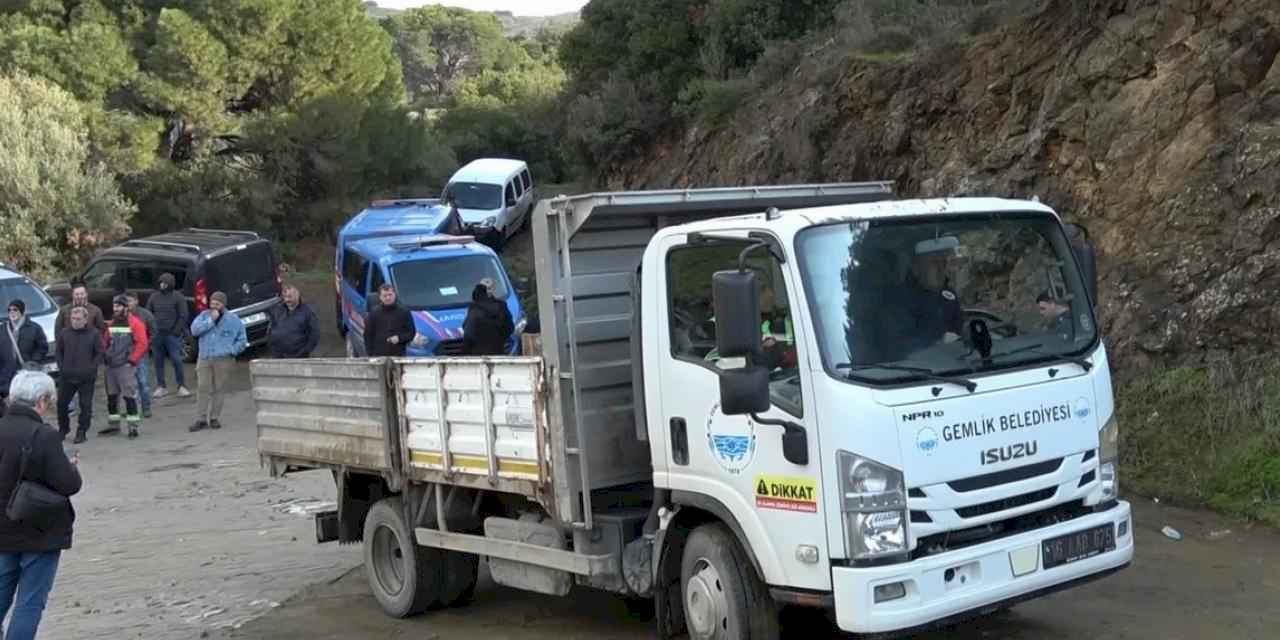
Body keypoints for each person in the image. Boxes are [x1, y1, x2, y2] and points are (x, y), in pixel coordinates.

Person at [0, 370, 81, 640]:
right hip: (39, 531)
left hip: (2, 532)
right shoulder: (44, 436)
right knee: (30, 603)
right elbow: (68, 484)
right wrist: (72, 468)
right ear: (43, 401)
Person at [189, 292, 246, 432]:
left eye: (217, 304)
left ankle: (214, 417)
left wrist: (232, 350)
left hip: (223, 359)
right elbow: (194, 331)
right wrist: (210, 321)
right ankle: (200, 419)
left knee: (219, 388)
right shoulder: (203, 316)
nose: (214, 306)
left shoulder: (234, 320)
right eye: (212, 303)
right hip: (205, 357)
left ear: (223, 305)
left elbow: (242, 339)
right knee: (203, 387)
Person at [901, 240, 964, 351]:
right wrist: (936, 342)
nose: (941, 269)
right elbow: (899, 346)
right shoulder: (900, 301)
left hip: (955, 361)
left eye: (943, 263)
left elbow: (958, 328)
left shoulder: (948, 295)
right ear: (916, 268)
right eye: (934, 263)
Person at [55, 307, 104, 444]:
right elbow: (58, 352)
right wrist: (62, 367)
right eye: (72, 319)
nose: (75, 322)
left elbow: (99, 352)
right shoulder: (65, 333)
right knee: (61, 404)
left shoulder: (94, 334)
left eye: (78, 319)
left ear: (85, 320)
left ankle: (82, 431)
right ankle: (63, 429)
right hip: (67, 376)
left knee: (85, 405)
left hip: (86, 378)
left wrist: (91, 368)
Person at [103, 295, 148, 439]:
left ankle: (133, 427)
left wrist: (131, 361)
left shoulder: (135, 323)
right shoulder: (111, 324)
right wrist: (105, 356)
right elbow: (106, 341)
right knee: (111, 396)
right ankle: (114, 425)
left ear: (126, 307)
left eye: (118, 306)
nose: (115, 309)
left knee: (129, 397)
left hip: (125, 366)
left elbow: (142, 344)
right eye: (114, 306)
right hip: (111, 366)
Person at [0, 301, 49, 418]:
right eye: (10, 310)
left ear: (22, 311)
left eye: (15, 309)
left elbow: (42, 348)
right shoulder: (2, 329)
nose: (12, 312)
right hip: (5, 375)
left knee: (25, 405)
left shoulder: (34, 328)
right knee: (5, 407)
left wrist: (32, 362)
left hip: (25, 375)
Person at [146, 272, 191, 399]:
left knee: (176, 360)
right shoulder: (154, 297)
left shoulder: (178, 297)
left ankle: (182, 386)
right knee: (158, 360)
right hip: (157, 335)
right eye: (161, 282)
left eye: (165, 283)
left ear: (170, 284)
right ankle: (161, 386)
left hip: (172, 335)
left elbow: (183, 315)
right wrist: (152, 331)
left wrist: (176, 331)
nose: (162, 285)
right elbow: (148, 314)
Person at [461, 278, 514, 356]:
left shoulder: (474, 308)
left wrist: (466, 353)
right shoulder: (501, 306)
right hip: (498, 352)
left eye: (488, 288)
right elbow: (509, 328)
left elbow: (469, 333)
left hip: (477, 355)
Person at [267, 285, 320, 359]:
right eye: (285, 297)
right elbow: (270, 330)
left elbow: (314, 335)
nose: (287, 300)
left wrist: (304, 352)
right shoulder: (278, 311)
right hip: (278, 357)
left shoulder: (308, 313)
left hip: (298, 357)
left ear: (297, 296)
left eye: (290, 296)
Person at [124, 293, 155, 418]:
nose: (128, 304)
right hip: (127, 354)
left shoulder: (146, 315)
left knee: (143, 382)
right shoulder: (121, 316)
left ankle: (146, 407)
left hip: (141, 354)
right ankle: (133, 409)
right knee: (130, 384)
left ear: (136, 301)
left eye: (130, 300)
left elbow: (154, 332)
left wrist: (146, 345)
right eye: (126, 301)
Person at [363, 284, 415, 357]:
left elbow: (411, 333)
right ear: (380, 297)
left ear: (395, 295)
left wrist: (399, 338)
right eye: (384, 295)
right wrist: (370, 354)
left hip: (398, 355)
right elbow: (367, 335)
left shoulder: (404, 312)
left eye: (390, 295)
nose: (388, 298)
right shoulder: (374, 313)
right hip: (378, 356)